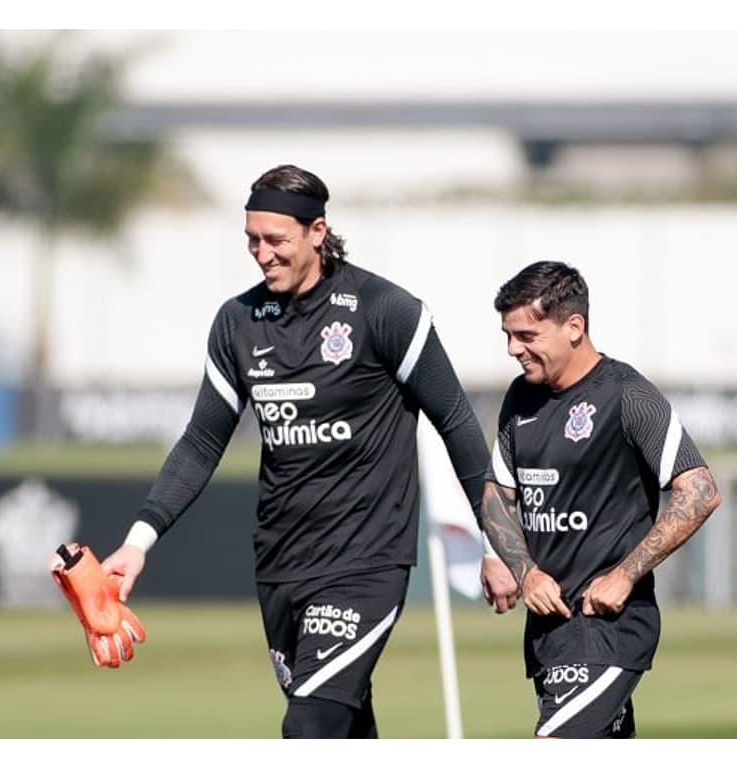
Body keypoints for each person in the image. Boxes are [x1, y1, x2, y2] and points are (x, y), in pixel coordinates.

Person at [100, 163, 517, 738]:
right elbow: (201, 443)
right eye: (251, 240)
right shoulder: (237, 323)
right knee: (343, 729)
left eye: (276, 240)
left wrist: (501, 544)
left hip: (365, 563)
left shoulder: (386, 311)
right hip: (280, 565)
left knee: (308, 728)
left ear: (317, 232)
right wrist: (137, 542)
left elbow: (458, 424)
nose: (261, 253)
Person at [480, 260, 722, 739]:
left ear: (574, 327)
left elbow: (700, 490)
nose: (513, 349)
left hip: (608, 628)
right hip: (549, 633)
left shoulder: (628, 396)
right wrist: (522, 569)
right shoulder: (519, 398)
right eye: (508, 335)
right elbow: (498, 494)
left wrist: (624, 575)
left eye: (527, 335)